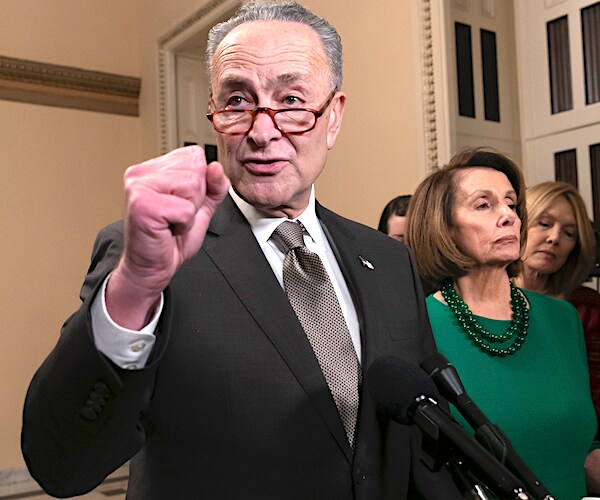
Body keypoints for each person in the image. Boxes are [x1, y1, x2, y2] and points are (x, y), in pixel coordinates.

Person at [21, 2, 463, 499]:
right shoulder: (148, 257)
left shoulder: (387, 260)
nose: (261, 130)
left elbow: (425, 456)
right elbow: (62, 464)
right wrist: (134, 289)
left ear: (333, 117)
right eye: (237, 101)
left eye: (291, 99)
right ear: (214, 114)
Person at [405, 147, 599, 499]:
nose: (508, 215)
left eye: (511, 204)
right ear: (443, 225)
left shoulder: (562, 318)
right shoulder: (415, 326)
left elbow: (583, 448)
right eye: (484, 204)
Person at [513, 180, 600, 494]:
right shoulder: (483, 303)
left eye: (569, 233)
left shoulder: (585, 308)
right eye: (544, 224)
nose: (554, 239)